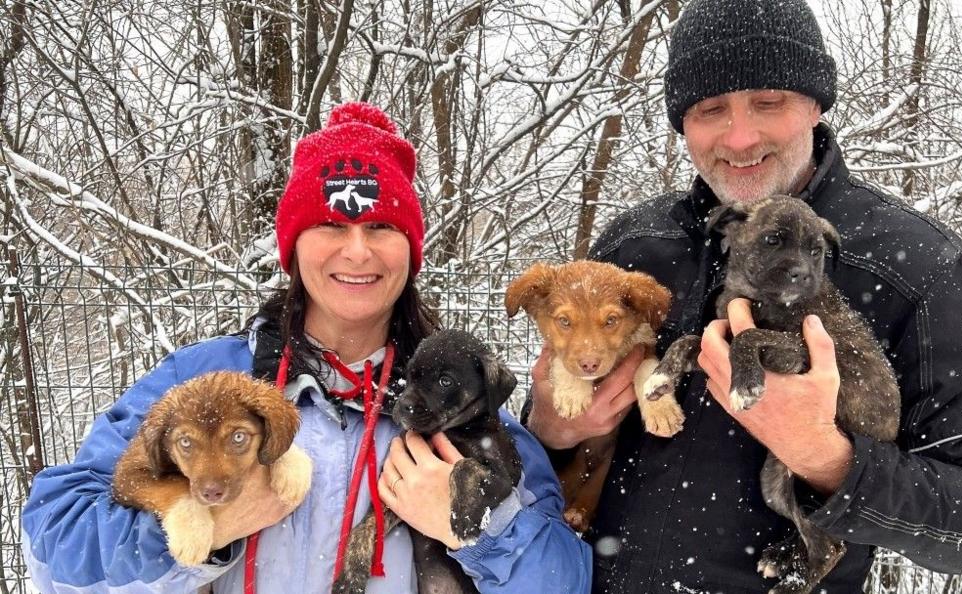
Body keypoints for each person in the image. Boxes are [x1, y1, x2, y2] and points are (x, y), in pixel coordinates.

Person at [523, 0, 962, 592]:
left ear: (816, 104)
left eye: (769, 102)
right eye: (712, 109)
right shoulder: (635, 249)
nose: (740, 137)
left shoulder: (925, 270)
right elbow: (562, 433)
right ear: (682, 123)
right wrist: (549, 429)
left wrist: (824, 456)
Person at [22, 102, 592, 594]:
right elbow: (54, 543)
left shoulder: (456, 399)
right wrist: (201, 523)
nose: (358, 252)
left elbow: (567, 580)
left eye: (380, 228)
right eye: (331, 224)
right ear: (292, 247)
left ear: (410, 250)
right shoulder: (209, 382)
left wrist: (479, 524)